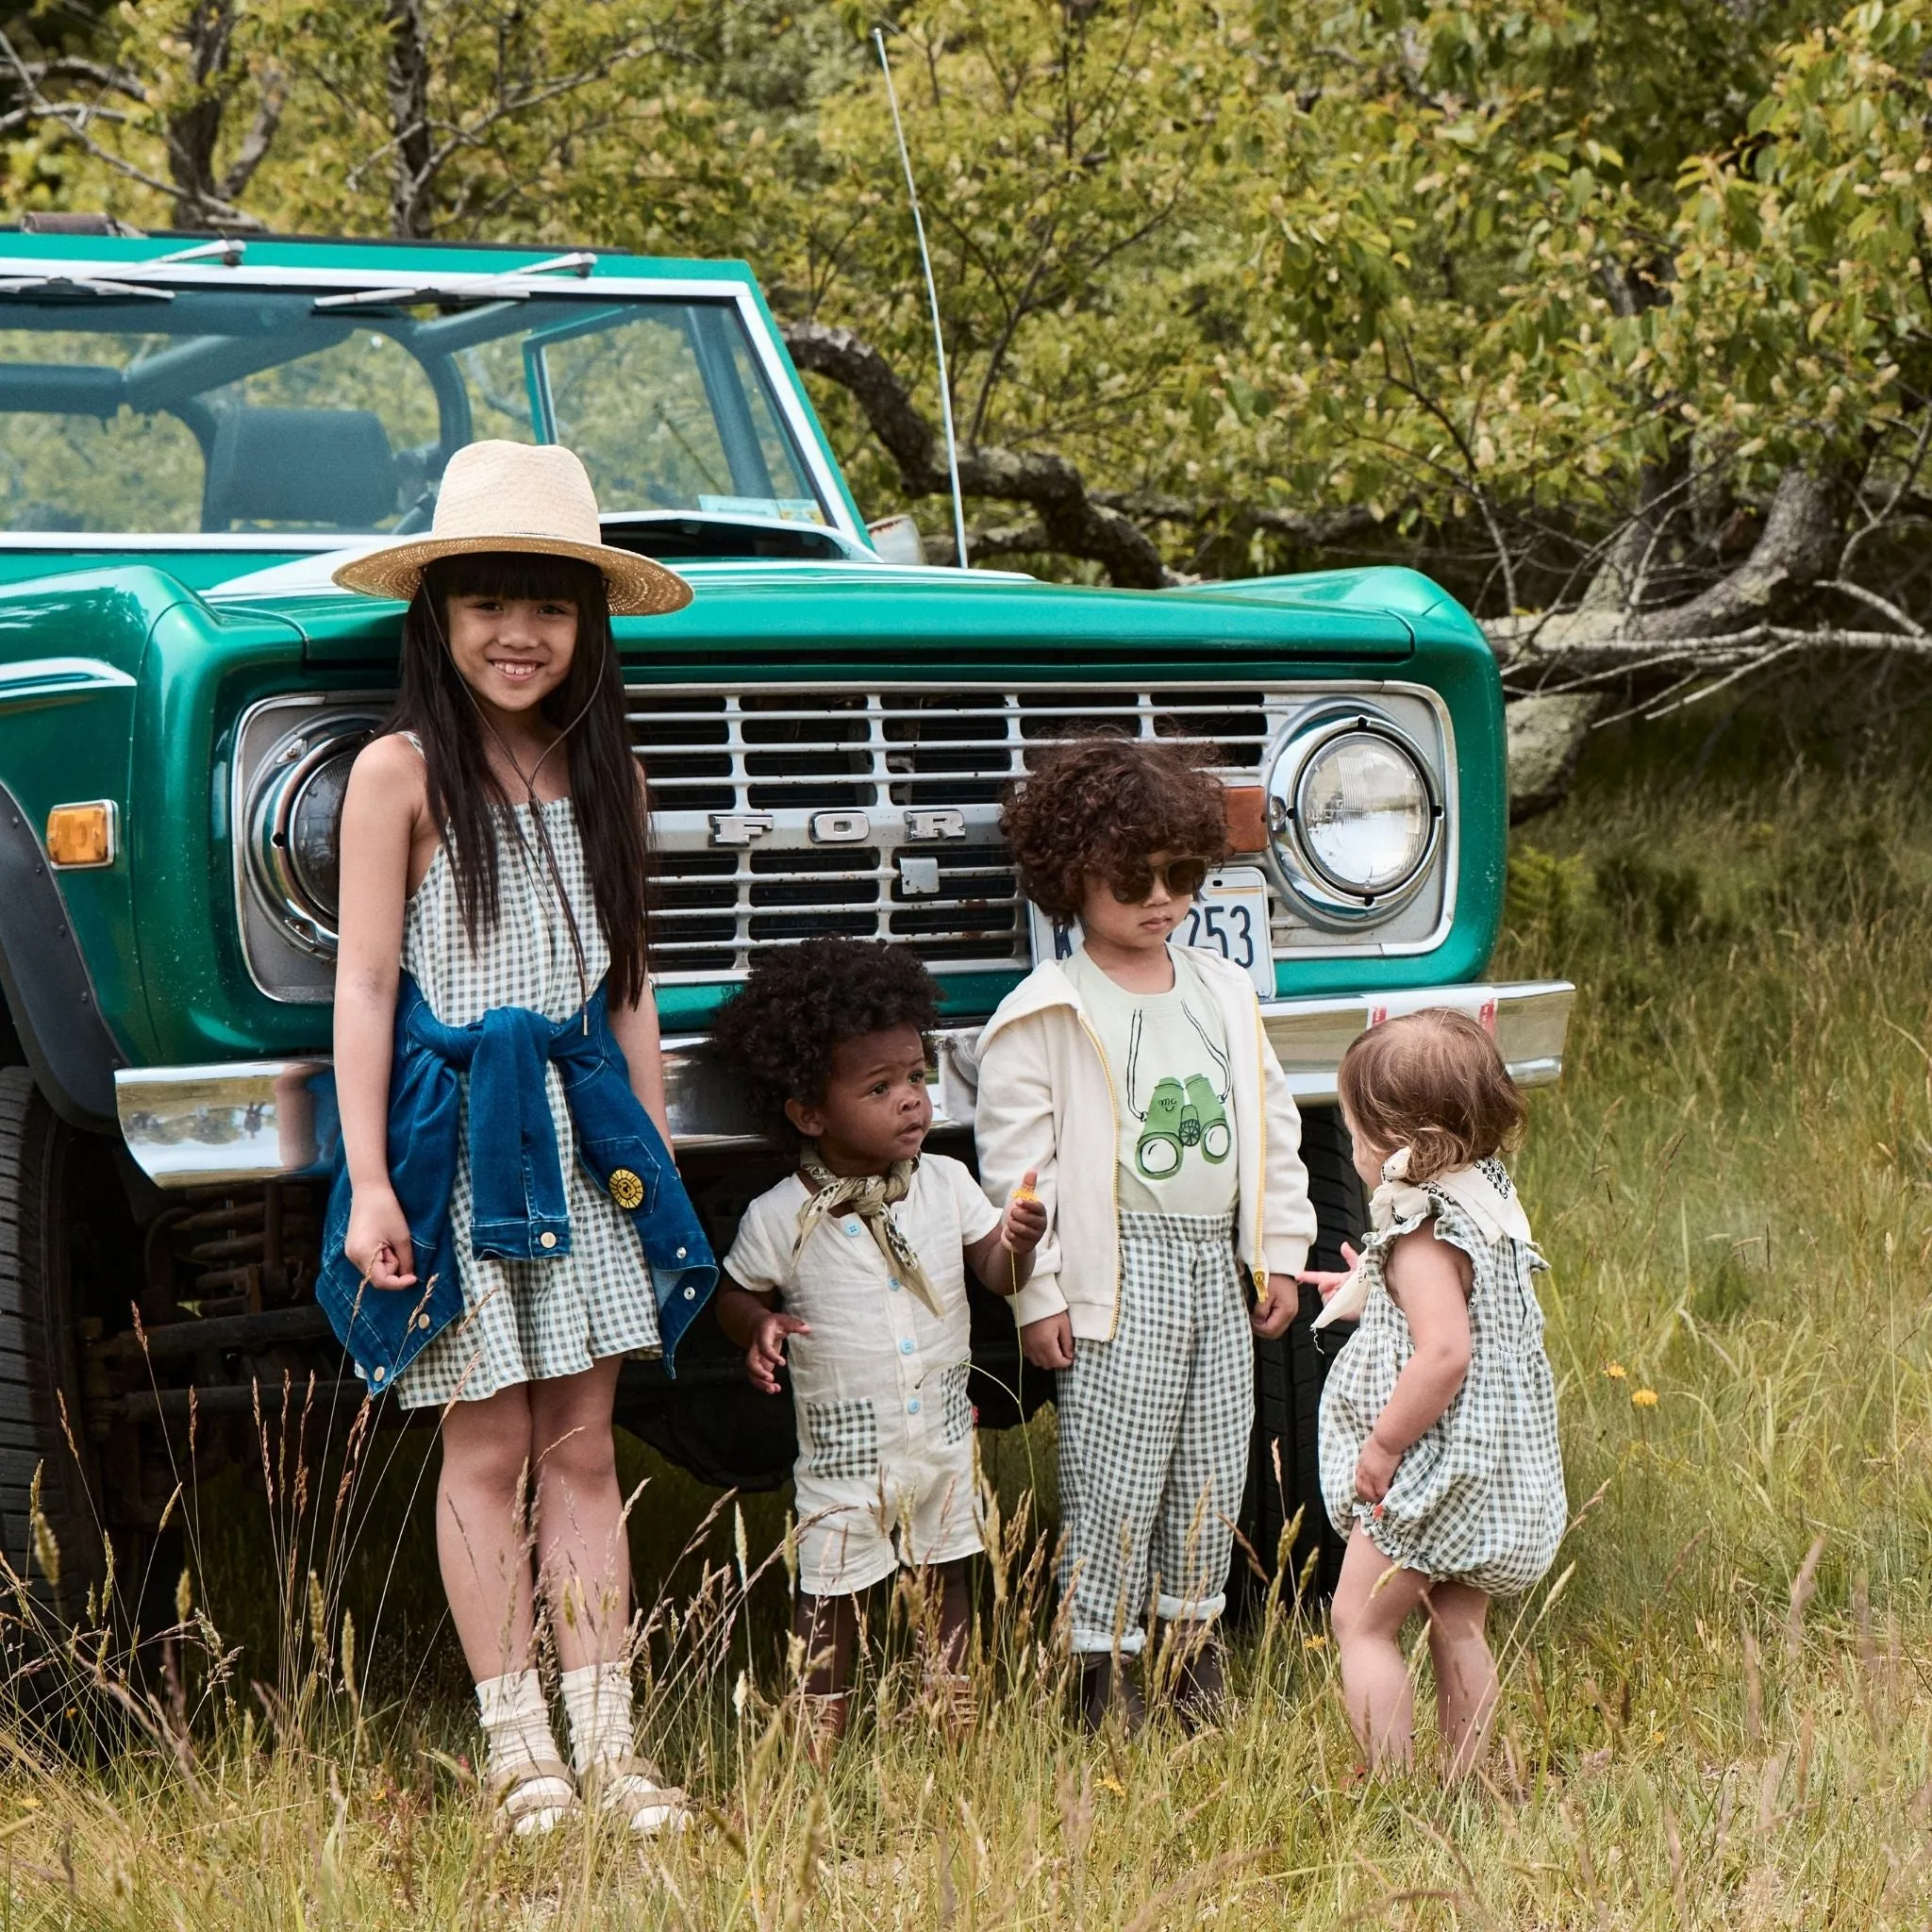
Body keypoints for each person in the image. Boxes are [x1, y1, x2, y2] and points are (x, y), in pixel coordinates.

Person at [321, 440, 717, 1836]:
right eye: (487, 601)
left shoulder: (609, 774)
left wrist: (655, 1161)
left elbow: (629, 995)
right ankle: (518, 1749)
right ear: (438, 615)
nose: (518, 632)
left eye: (548, 603)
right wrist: (368, 1179)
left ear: (586, 623)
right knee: (483, 1444)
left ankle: (611, 1745)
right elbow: (366, 984)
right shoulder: (402, 772)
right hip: (465, 1146)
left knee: (587, 1450)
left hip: (588, 1139)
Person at [960, 736, 1316, 1731]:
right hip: (1118, 1277)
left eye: (1182, 874)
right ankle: (1100, 1667)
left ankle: (1191, 1650)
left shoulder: (1222, 989)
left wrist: (1277, 1250)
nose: (1159, 897)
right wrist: (1040, 1290)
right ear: (1068, 879)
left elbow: (1271, 1124)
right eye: (1131, 879)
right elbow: (1015, 1175)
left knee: (1210, 1461)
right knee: (1116, 1471)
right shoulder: (1047, 1011)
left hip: (1214, 1257)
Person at [708, 939, 1046, 1751]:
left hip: (933, 1438)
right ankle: (820, 1732)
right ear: (809, 1114)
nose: (912, 1103)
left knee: (948, 1575)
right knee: (829, 1593)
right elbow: (734, 1291)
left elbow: (995, 1275)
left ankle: (952, 1718)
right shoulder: (782, 1214)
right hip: (844, 1457)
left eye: (918, 1079)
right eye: (881, 1087)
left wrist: (1021, 1241)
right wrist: (756, 1328)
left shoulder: (948, 1185)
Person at [1303, 1008, 1566, 1780]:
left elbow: (1446, 1350)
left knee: (1360, 1622)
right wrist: (1362, 1285)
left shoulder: (1421, 1233)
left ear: (1395, 1141)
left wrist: (1382, 1445)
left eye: (1352, 1128)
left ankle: (1389, 1783)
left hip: (1430, 1466)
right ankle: (1472, 1778)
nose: (1349, 1144)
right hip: (1489, 1467)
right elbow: (1452, 1296)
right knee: (1457, 1625)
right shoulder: (1483, 1201)